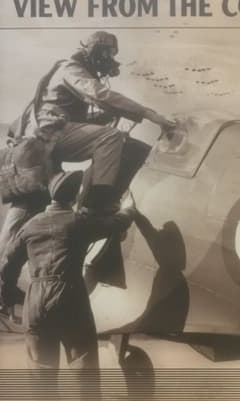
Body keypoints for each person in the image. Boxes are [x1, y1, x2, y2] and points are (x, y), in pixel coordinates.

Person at [0, 30, 175, 261]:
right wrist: (149, 114)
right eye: (107, 53)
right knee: (110, 137)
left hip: (38, 148)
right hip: (46, 140)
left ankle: (3, 272)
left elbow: (71, 112)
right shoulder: (70, 69)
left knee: (27, 206)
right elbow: (98, 93)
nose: (109, 59)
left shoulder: (68, 72)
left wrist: (107, 116)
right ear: (96, 51)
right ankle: (97, 205)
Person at [0, 169, 136, 371]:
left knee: (41, 371)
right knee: (83, 364)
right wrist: (128, 209)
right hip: (70, 293)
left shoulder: (30, 225)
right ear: (74, 196)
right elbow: (116, 223)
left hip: (35, 298)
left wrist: (7, 300)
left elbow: (7, 266)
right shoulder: (78, 223)